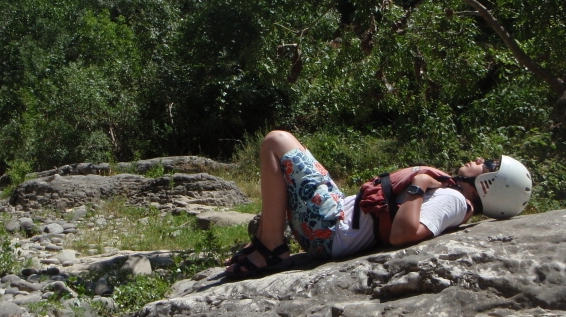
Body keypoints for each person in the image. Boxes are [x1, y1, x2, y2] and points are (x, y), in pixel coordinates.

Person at [226, 130, 533, 279]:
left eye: (489, 164)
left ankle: (271, 248)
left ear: (492, 184)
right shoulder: (454, 194)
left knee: (276, 141)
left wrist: (418, 184)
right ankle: (267, 241)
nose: (480, 159)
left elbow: (403, 234)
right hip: (335, 217)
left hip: (331, 231)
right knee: (294, 150)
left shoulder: (454, 201)